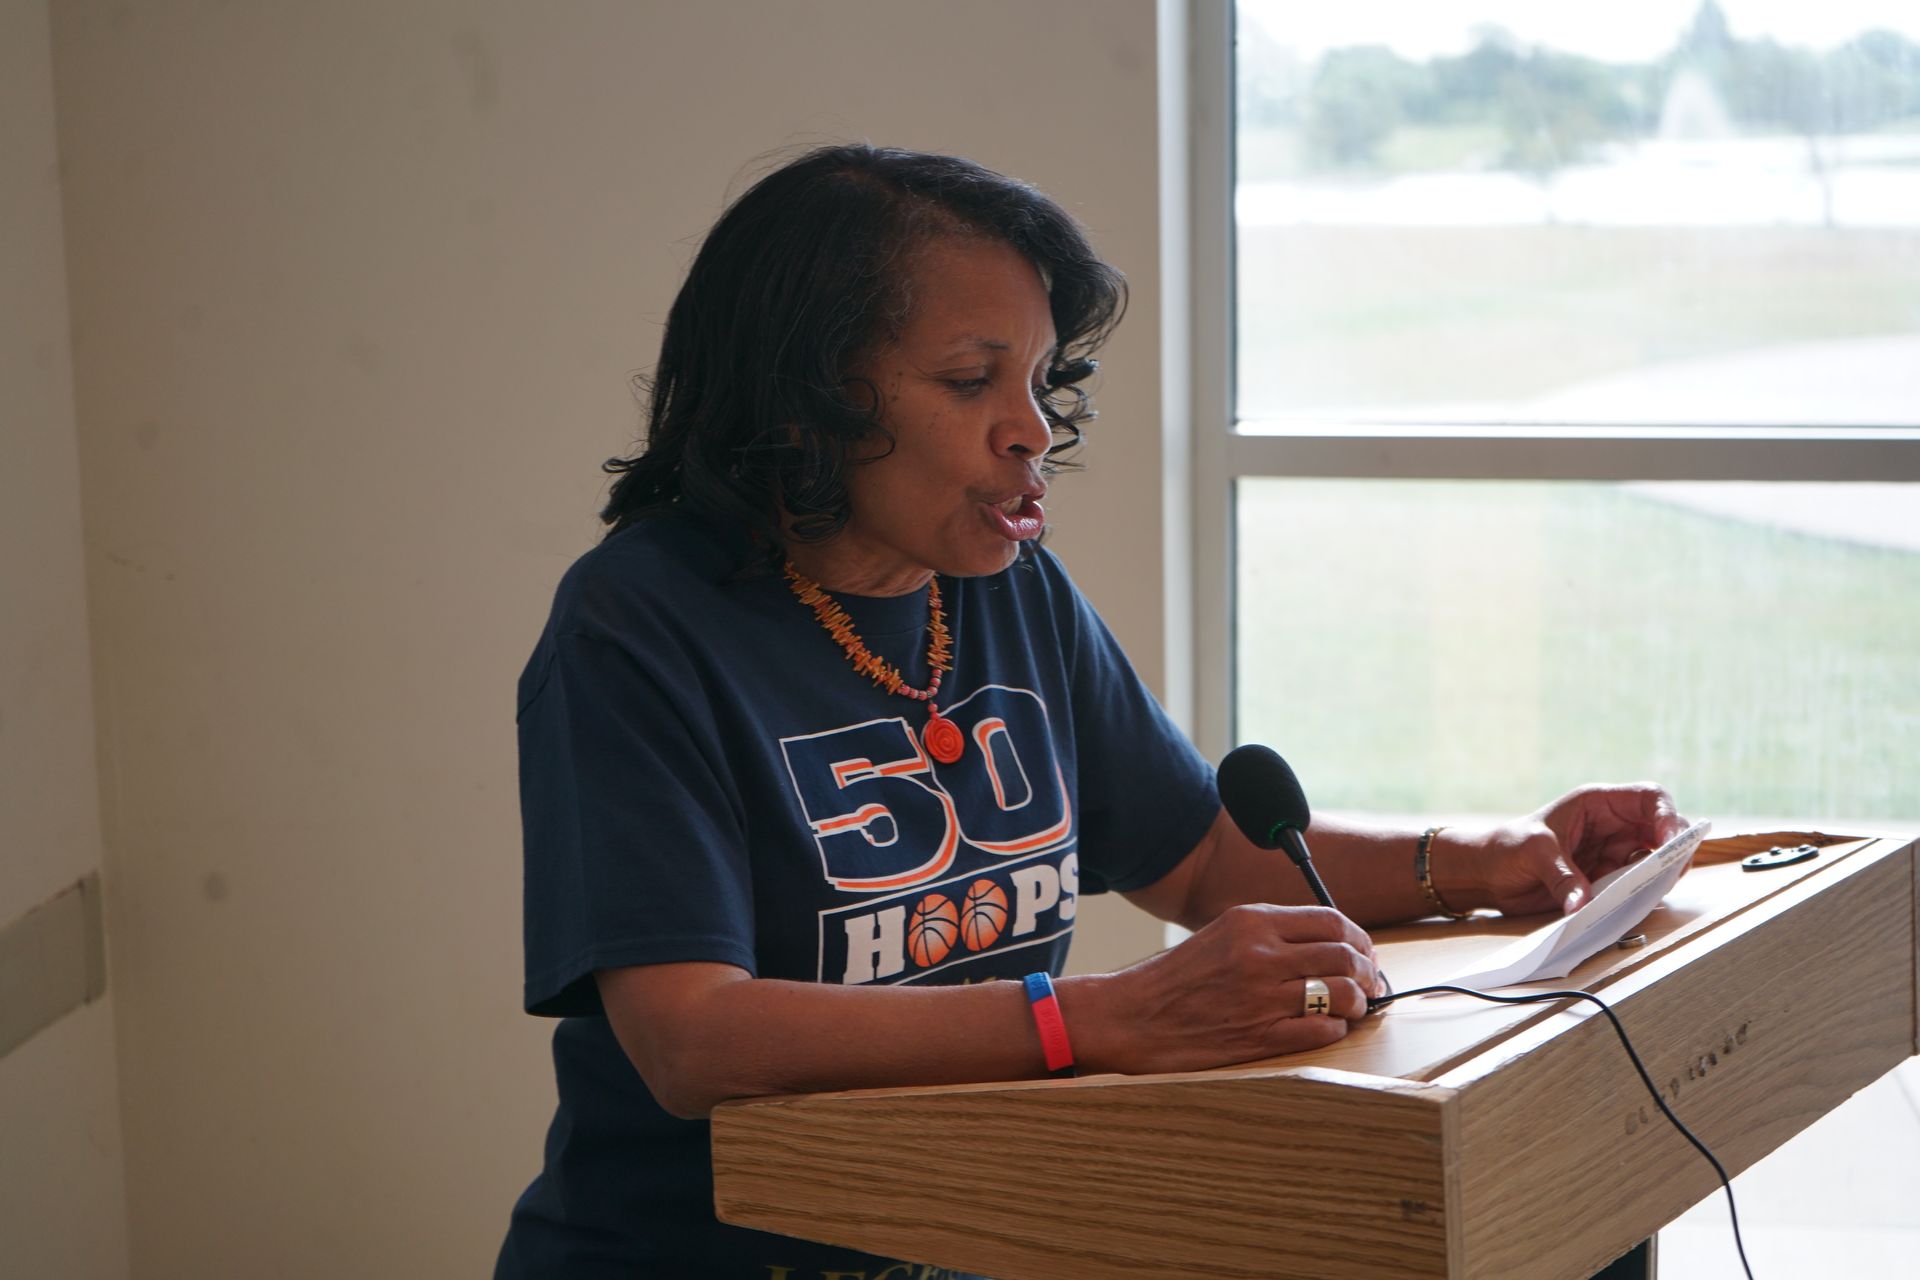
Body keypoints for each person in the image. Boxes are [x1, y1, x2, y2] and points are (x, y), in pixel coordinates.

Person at [494, 144, 1686, 1280]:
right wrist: (1100, 1018)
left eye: (1038, 379)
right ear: (806, 398)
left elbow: (1211, 856)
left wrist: (1478, 858)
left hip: (988, 1227)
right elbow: (694, 1038)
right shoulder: (638, 624)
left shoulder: (1006, 590)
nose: (1032, 426)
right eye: (971, 380)